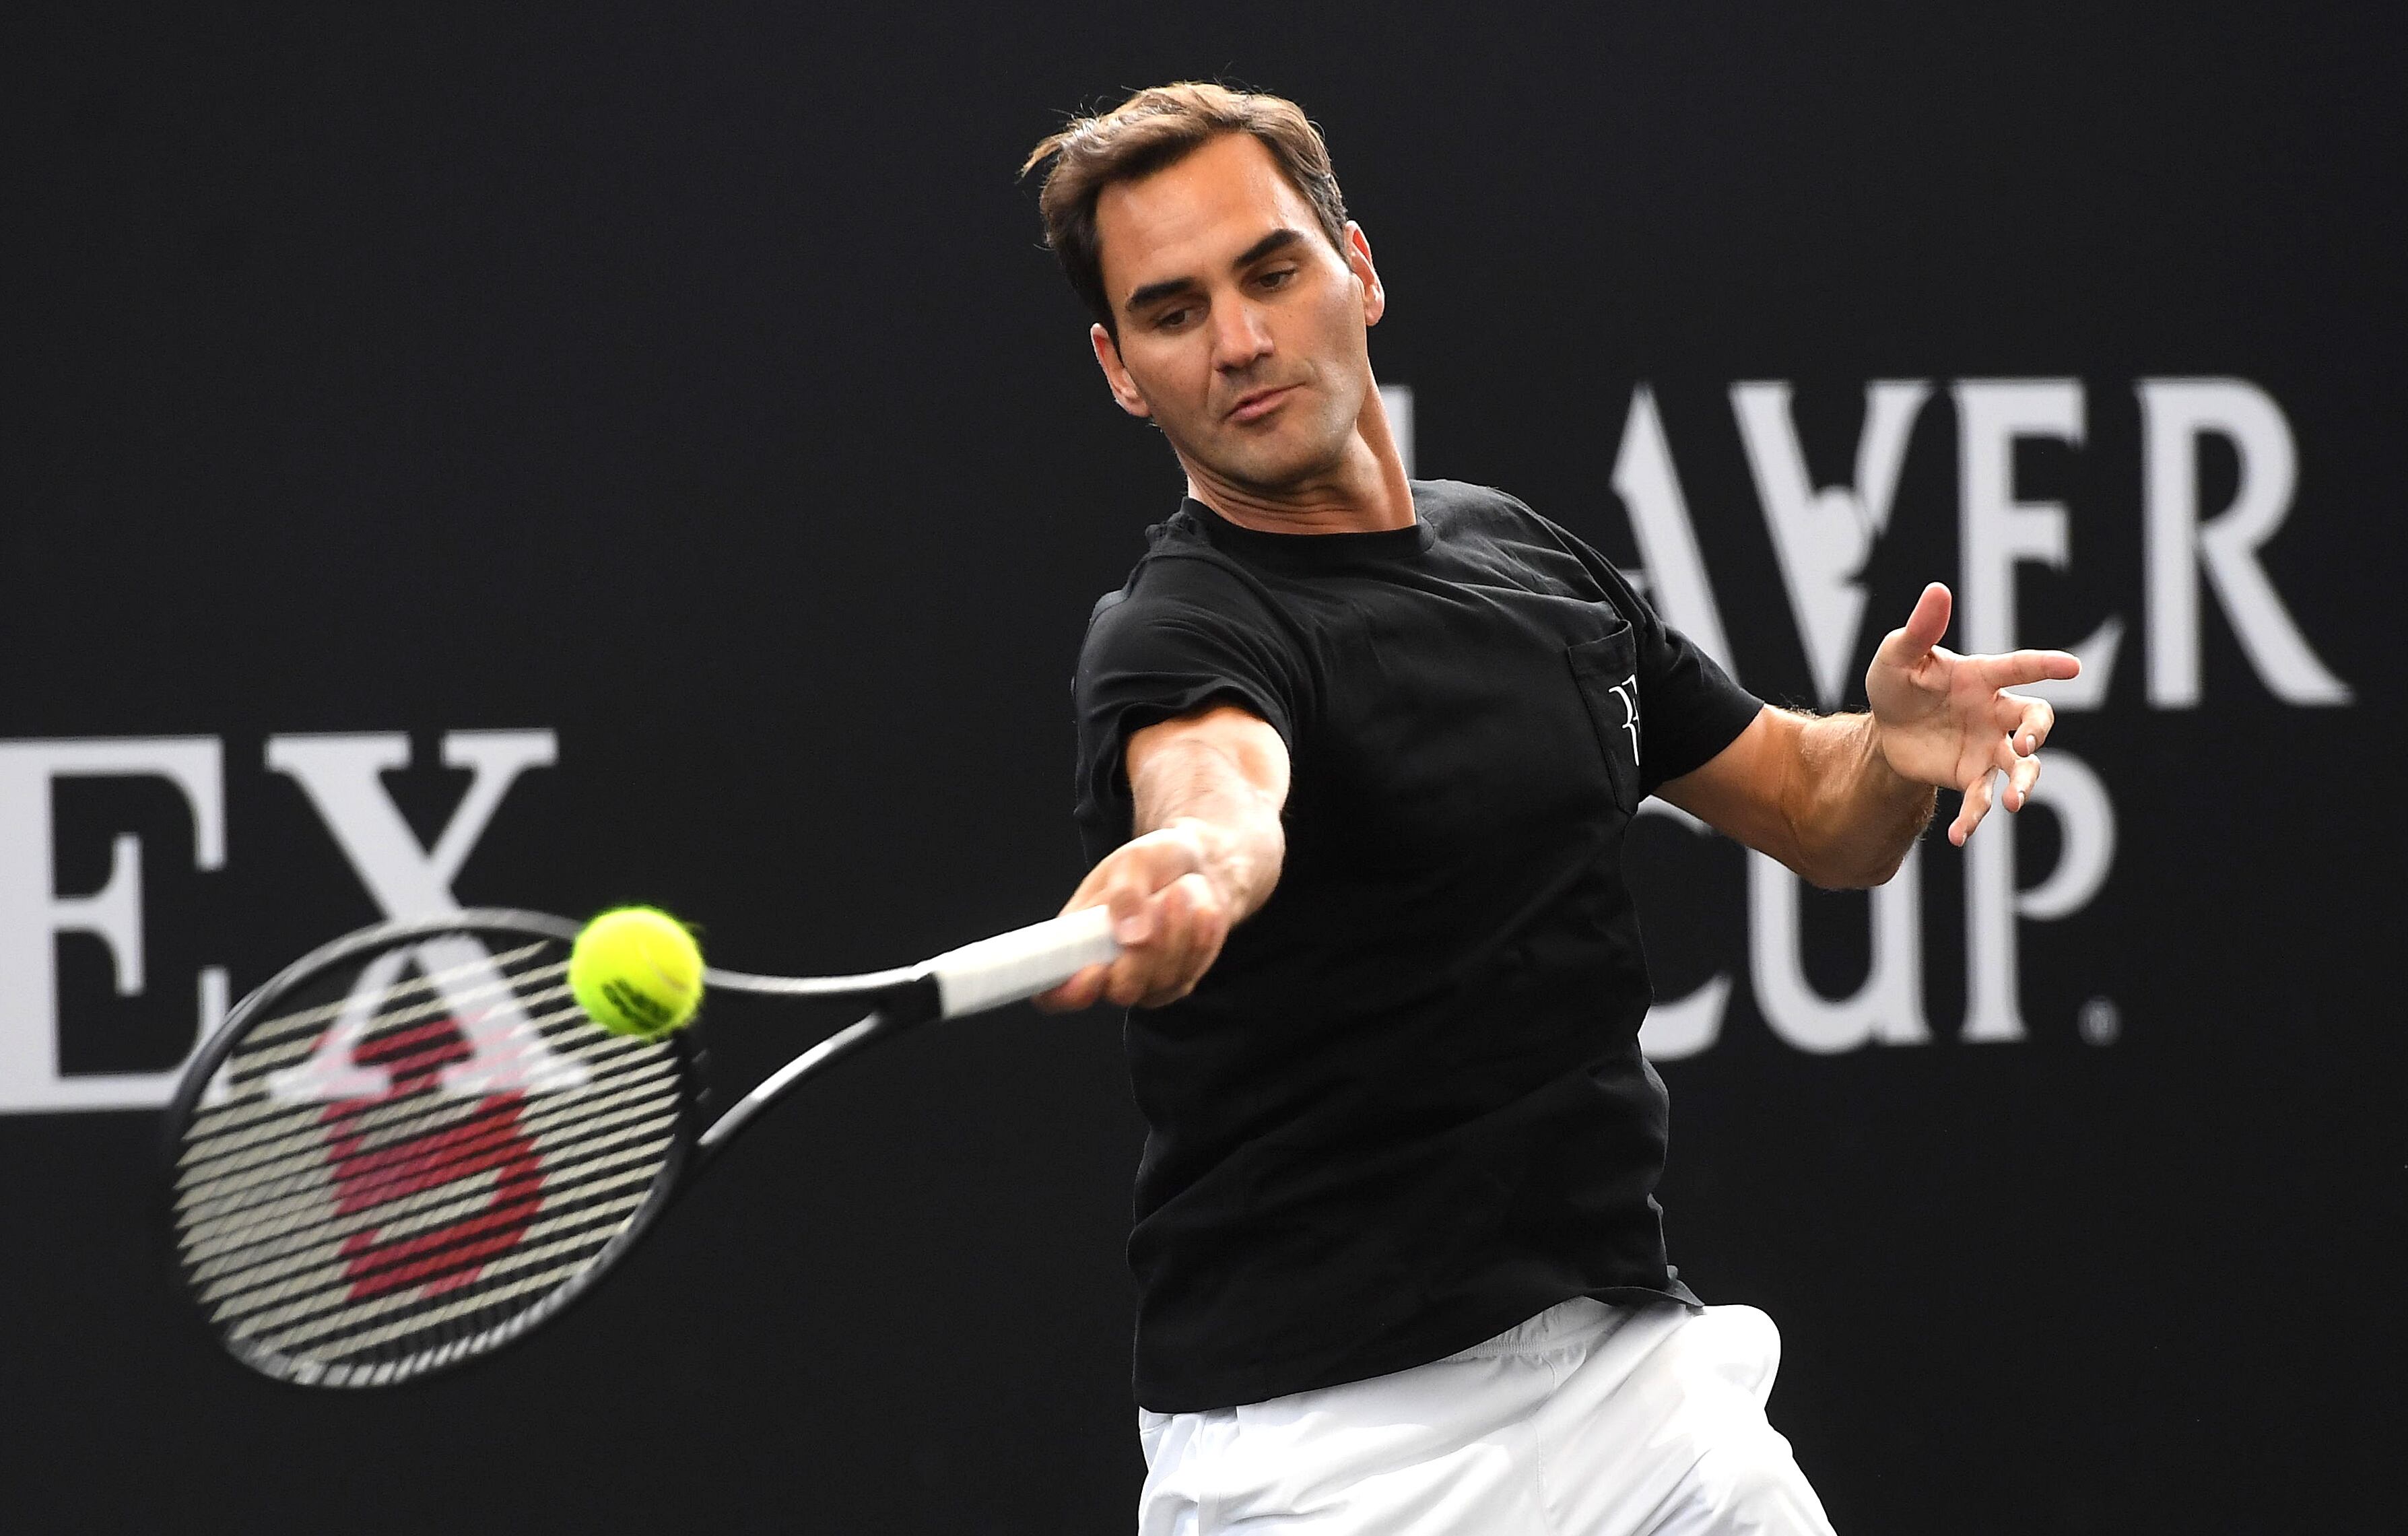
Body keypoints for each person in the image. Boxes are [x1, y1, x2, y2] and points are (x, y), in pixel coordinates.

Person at [1021, 83, 2076, 1536]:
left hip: (1631, 1389)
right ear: (1122, 368)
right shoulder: (1177, 632)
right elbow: (1215, 790)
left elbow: (1813, 810)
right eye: (1174, 310)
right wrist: (1198, 864)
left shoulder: (1518, 555)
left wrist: (1893, 751)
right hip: (1326, 1455)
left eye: (1271, 272)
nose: (1242, 342)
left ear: (1360, 270)